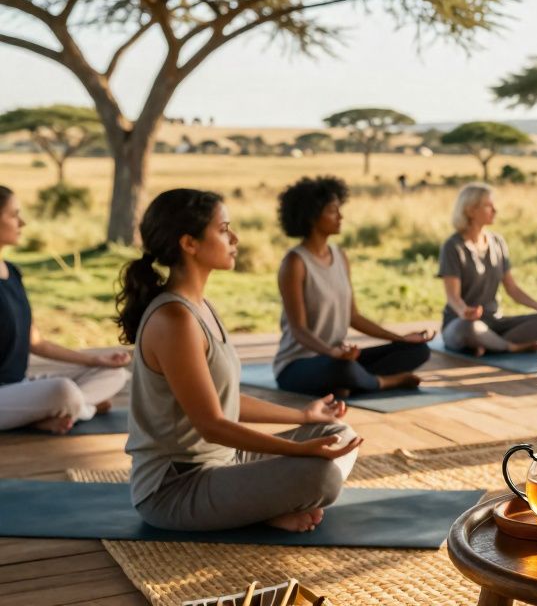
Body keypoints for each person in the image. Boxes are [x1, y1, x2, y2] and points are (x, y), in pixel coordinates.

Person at [121, 189, 364, 532]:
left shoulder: (202, 308)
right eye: (223, 229)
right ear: (189, 243)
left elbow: (225, 399)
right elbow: (212, 424)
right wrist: (298, 451)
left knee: (336, 433)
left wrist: (303, 415)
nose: (234, 238)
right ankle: (267, 507)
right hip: (175, 488)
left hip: (225, 462)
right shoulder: (174, 319)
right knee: (320, 474)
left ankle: (263, 504)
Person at [273, 176, 433, 398]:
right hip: (298, 365)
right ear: (311, 216)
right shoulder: (295, 263)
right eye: (332, 211)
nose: (340, 216)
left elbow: (353, 316)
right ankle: (386, 382)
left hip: (339, 357)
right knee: (344, 369)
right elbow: (299, 330)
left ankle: (349, 383)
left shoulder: (340, 256)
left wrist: (401, 338)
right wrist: (331, 352)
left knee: (418, 350)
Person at [0, 186, 129, 433]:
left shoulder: (13, 272)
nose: (22, 222)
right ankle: (79, 408)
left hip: (20, 387)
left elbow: (36, 342)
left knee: (113, 373)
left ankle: (65, 410)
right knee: (63, 391)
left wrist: (95, 360)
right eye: (13, 215)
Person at [439, 183, 537, 355]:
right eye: (488, 206)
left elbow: (512, 289)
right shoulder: (453, 246)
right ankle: (509, 347)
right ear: (470, 210)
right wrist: (464, 311)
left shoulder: (497, 242)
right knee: (470, 327)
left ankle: (486, 344)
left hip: (495, 322)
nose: (495, 210)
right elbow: (452, 296)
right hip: (462, 322)